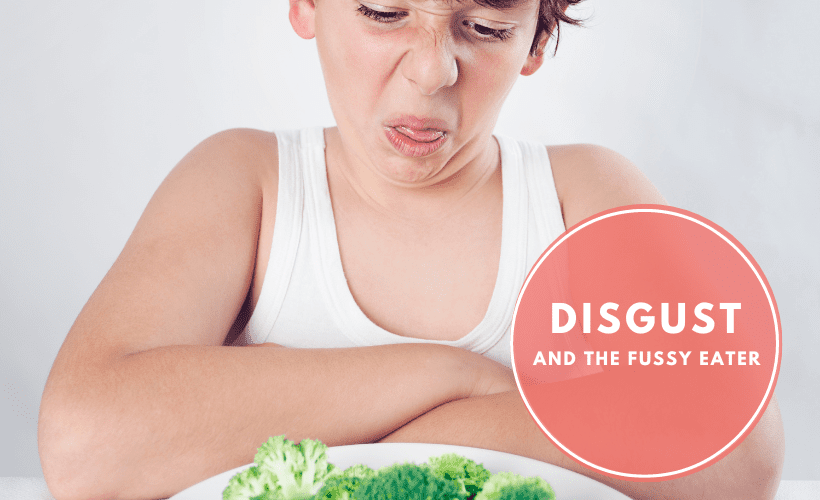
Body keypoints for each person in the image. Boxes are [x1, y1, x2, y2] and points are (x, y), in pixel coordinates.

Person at [37, 0, 785, 499]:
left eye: (485, 26)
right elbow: (83, 447)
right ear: (307, 5)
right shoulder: (249, 184)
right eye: (385, 11)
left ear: (538, 41)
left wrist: (268, 417)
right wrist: (459, 375)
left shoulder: (576, 196)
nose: (432, 69)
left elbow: (739, 447)